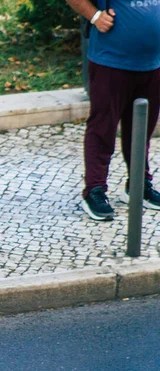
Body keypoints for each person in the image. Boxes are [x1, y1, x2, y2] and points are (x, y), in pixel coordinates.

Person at [66, 0, 160, 221]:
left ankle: (138, 185)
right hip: (111, 61)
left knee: (142, 130)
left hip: (153, 63)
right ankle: (95, 189)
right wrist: (95, 16)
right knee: (103, 128)